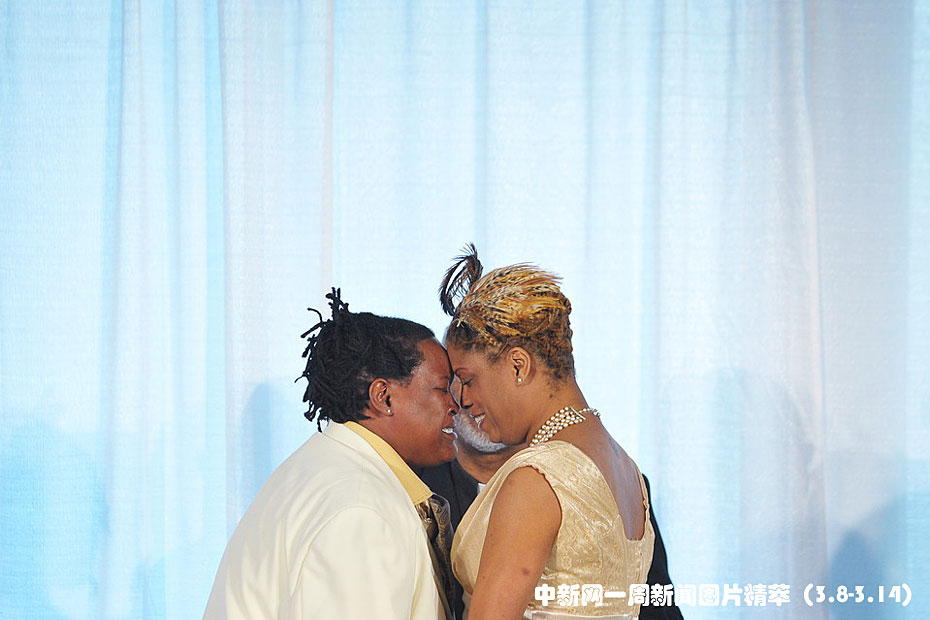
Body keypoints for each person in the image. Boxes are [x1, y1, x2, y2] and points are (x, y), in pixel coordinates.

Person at [204, 289, 458, 620]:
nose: (456, 405)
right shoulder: (360, 510)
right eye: (443, 388)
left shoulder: (327, 471)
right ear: (384, 396)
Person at [438, 246, 658, 619]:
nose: (464, 400)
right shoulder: (626, 468)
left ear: (518, 366)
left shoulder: (538, 477)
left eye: (468, 379)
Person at [417, 407, 683, 620]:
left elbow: (658, 606)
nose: (469, 397)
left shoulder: (617, 484)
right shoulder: (416, 490)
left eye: (474, 379)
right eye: (461, 378)